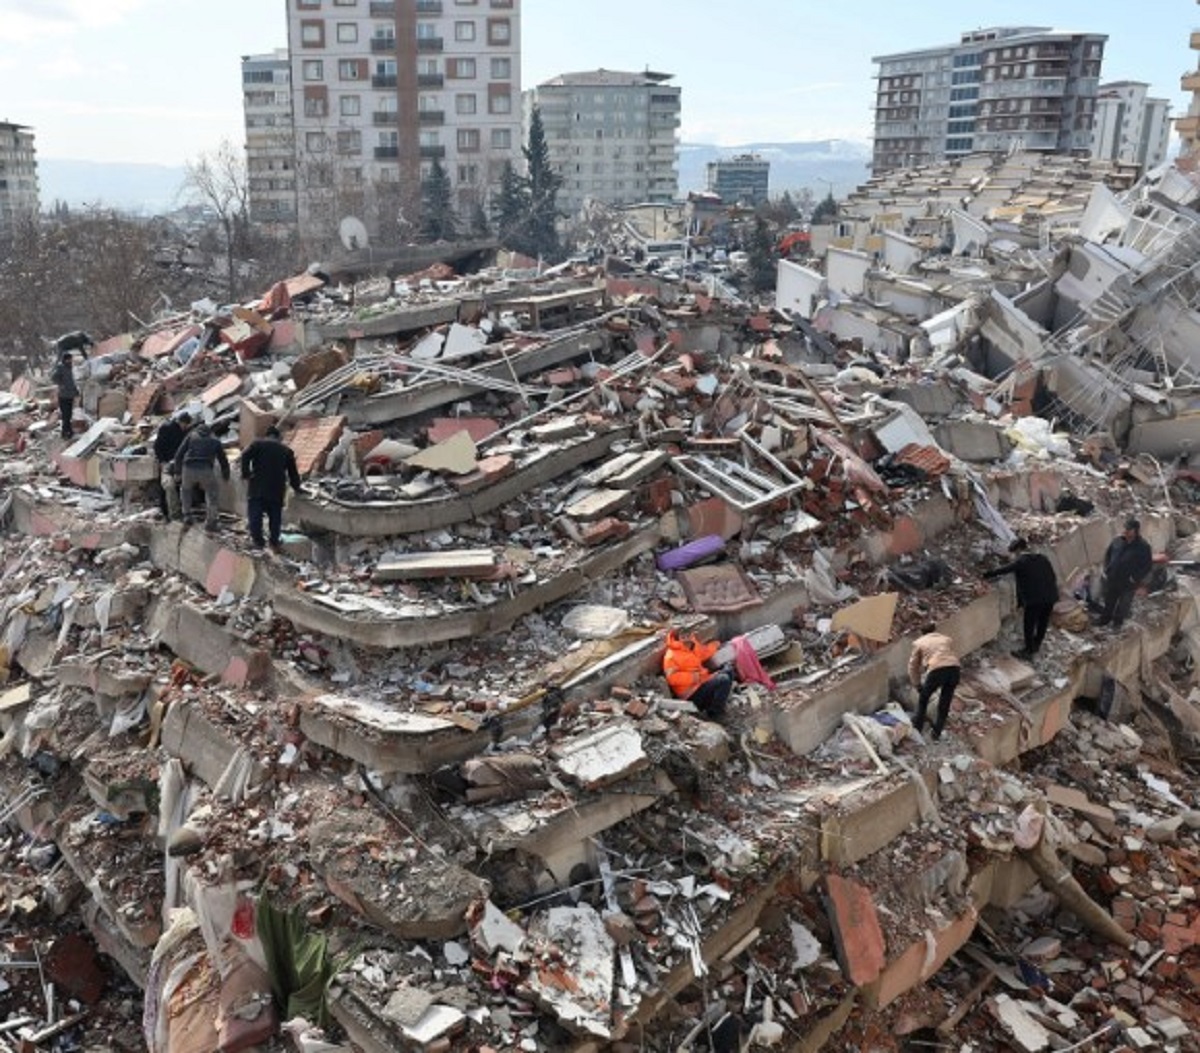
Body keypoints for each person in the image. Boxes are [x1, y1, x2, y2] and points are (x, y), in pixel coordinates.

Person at [983, 538, 1059, 658]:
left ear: (1018, 550)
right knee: (1043, 622)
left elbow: (1004, 570)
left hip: (1034, 600)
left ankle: (1028, 651)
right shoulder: (1043, 558)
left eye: (1014, 553)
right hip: (1050, 596)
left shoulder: (1022, 561)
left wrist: (986, 574)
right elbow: (1053, 576)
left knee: (1029, 624)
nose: (1013, 556)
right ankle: (1037, 643)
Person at [240, 425, 302, 550]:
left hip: (257, 486)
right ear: (278, 437)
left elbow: (245, 455)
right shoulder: (286, 451)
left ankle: (258, 541)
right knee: (275, 518)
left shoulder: (257, 444)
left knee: (255, 516)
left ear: (266, 435)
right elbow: (293, 473)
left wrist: (246, 473)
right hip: (276, 489)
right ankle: (274, 541)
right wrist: (297, 487)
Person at [663, 630, 733, 720]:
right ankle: (714, 714)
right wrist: (693, 677)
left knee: (728, 669)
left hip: (701, 683)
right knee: (723, 679)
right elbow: (671, 678)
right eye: (683, 636)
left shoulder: (692, 646)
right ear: (677, 637)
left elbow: (704, 653)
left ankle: (715, 705)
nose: (686, 638)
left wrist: (715, 645)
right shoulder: (671, 656)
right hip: (691, 694)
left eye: (688, 634)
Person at [173, 422, 230, 531]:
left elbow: (179, 455)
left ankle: (187, 515)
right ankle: (211, 522)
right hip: (205, 470)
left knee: (185, 490)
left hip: (188, 469)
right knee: (211, 493)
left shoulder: (191, 436)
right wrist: (225, 474)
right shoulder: (215, 440)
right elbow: (223, 459)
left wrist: (177, 472)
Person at [1097, 517, 1153, 629]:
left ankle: (1117, 623)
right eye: (1125, 528)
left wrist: (1135, 578)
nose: (1126, 531)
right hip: (1113, 578)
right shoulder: (1117, 541)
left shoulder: (1143, 547)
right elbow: (1108, 554)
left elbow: (1147, 565)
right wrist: (1107, 568)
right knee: (1109, 600)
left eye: (1129, 529)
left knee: (1123, 604)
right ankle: (1104, 619)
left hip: (1128, 582)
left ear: (1136, 531)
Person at [907, 625, 961, 741]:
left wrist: (917, 684)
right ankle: (937, 732)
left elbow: (912, 666)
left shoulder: (919, 643)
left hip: (937, 670)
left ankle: (918, 726)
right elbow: (949, 655)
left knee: (923, 699)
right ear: (934, 630)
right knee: (945, 702)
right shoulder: (945, 639)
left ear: (921, 631)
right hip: (954, 669)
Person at [153, 413, 192, 522]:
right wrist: (162, 461)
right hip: (167, 462)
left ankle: (172, 512)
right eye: (185, 425)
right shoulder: (167, 428)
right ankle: (167, 512)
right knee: (167, 487)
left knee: (172, 487)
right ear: (182, 422)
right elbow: (157, 446)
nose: (185, 427)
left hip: (174, 462)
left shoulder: (182, 431)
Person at [50, 351, 80, 440]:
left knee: (69, 414)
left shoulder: (70, 368)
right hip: (63, 396)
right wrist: (61, 384)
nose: (71, 360)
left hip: (70, 395)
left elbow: (71, 382)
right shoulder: (61, 367)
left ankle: (69, 431)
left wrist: (76, 391)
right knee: (66, 415)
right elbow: (53, 378)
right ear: (66, 359)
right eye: (69, 359)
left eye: (71, 359)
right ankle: (65, 433)